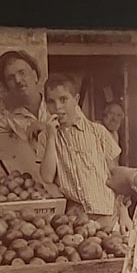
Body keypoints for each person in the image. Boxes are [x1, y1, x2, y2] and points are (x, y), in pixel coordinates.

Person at [39, 71, 119, 220]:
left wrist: (124, 214)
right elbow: (47, 177)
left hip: (106, 213)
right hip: (75, 218)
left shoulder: (98, 131)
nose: (57, 107)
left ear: (76, 99)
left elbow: (116, 176)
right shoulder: (46, 137)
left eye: (63, 99)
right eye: (51, 101)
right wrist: (51, 138)